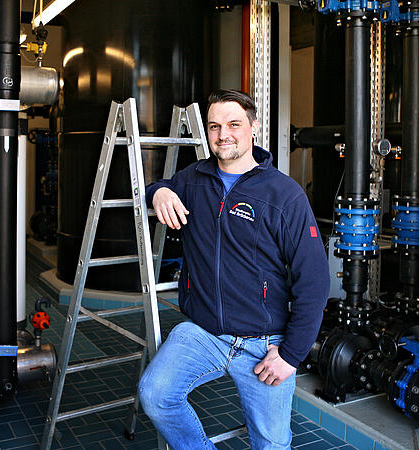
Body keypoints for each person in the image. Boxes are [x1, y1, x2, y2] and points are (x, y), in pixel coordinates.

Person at [138, 89, 330, 449]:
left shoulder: (284, 195)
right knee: (156, 395)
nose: (223, 134)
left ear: (253, 128)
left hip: (264, 343)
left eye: (233, 124)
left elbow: (315, 281)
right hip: (205, 332)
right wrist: (159, 193)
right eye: (214, 126)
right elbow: (157, 186)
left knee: (271, 445)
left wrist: (291, 356)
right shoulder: (194, 178)